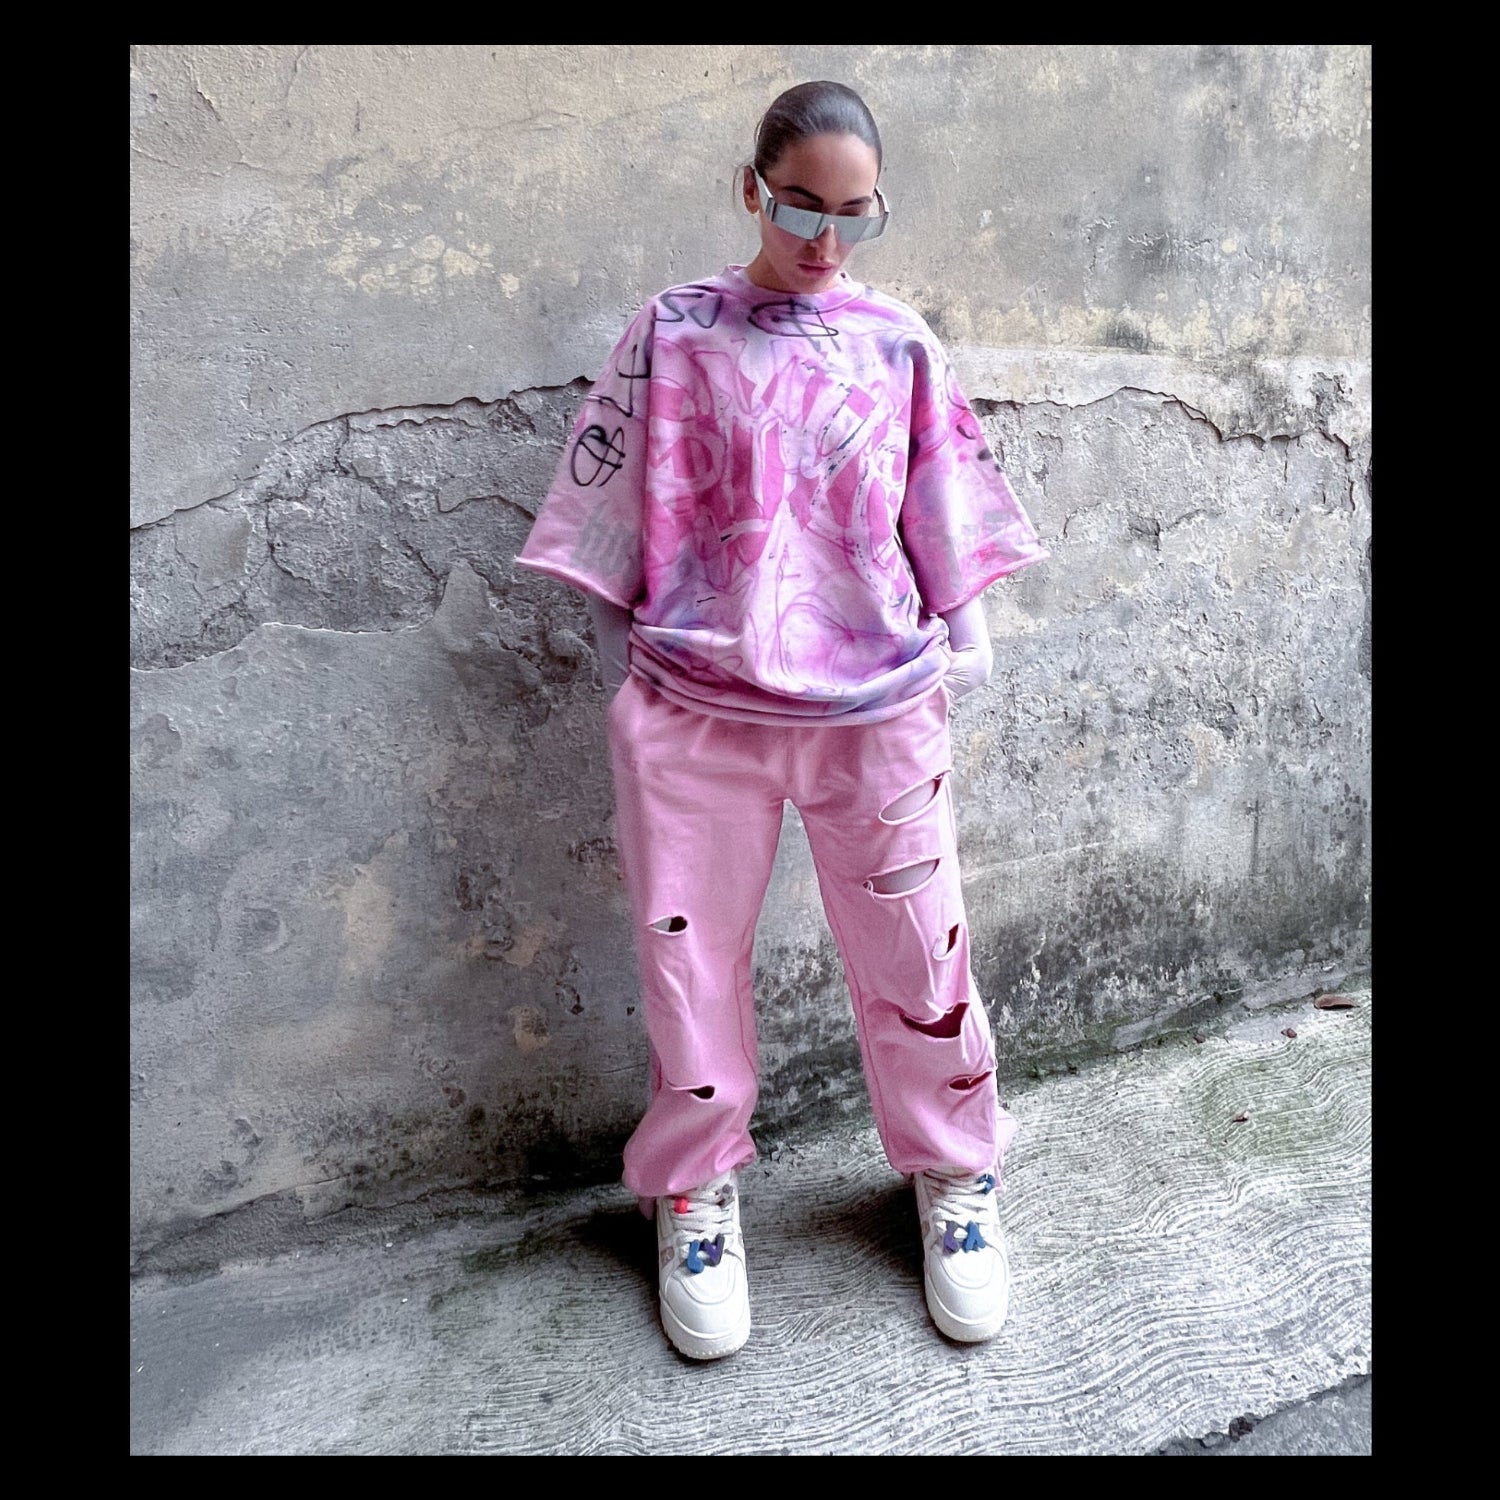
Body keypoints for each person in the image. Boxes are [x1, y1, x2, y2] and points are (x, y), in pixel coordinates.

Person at [516, 79, 1049, 1360]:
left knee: (922, 956)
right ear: (752, 190)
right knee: (687, 961)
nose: (826, 240)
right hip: (695, 706)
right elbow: (611, 495)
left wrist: (965, 635)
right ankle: (695, 1188)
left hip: (878, 705)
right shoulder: (675, 330)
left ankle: (955, 1169)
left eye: (856, 215)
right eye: (803, 207)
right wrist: (621, 662)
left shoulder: (897, 342)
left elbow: (943, 493)